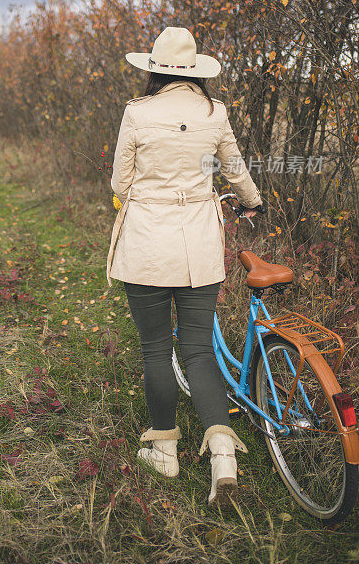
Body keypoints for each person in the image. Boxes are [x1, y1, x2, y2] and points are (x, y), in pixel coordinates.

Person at [106, 26, 265, 508]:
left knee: (156, 349)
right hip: (198, 243)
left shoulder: (137, 113)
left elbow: (120, 180)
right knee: (197, 350)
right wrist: (252, 202)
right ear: (195, 72)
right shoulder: (215, 113)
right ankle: (222, 456)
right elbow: (234, 169)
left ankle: (165, 452)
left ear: (154, 71)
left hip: (148, 245)